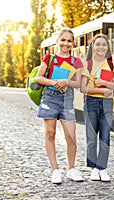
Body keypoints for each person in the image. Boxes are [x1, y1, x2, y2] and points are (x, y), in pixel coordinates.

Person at [36, 28, 84, 184]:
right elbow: (39, 78)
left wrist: (67, 82)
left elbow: (79, 83)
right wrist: (54, 83)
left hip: (67, 100)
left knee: (71, 135)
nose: (66, 43)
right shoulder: (49, 58)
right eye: (63, 40)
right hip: (49, 99)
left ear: (73, 44)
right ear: (57, 41)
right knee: (50, 133)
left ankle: (71, 169)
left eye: (69, 41)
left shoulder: (76, 62)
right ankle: (55, 170)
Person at [80, 34, 114, 182]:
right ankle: (93, 169)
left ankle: (102, 168)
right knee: (91, 138)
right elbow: (83, 88)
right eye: (98, 44)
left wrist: (106, 84)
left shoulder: (112, 65)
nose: (101, 47)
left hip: (107, 104)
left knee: (105, 137)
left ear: (108, 47)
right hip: (91, 102)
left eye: (104, 44)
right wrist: (101, 91)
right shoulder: (88, 65)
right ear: (93, 46)